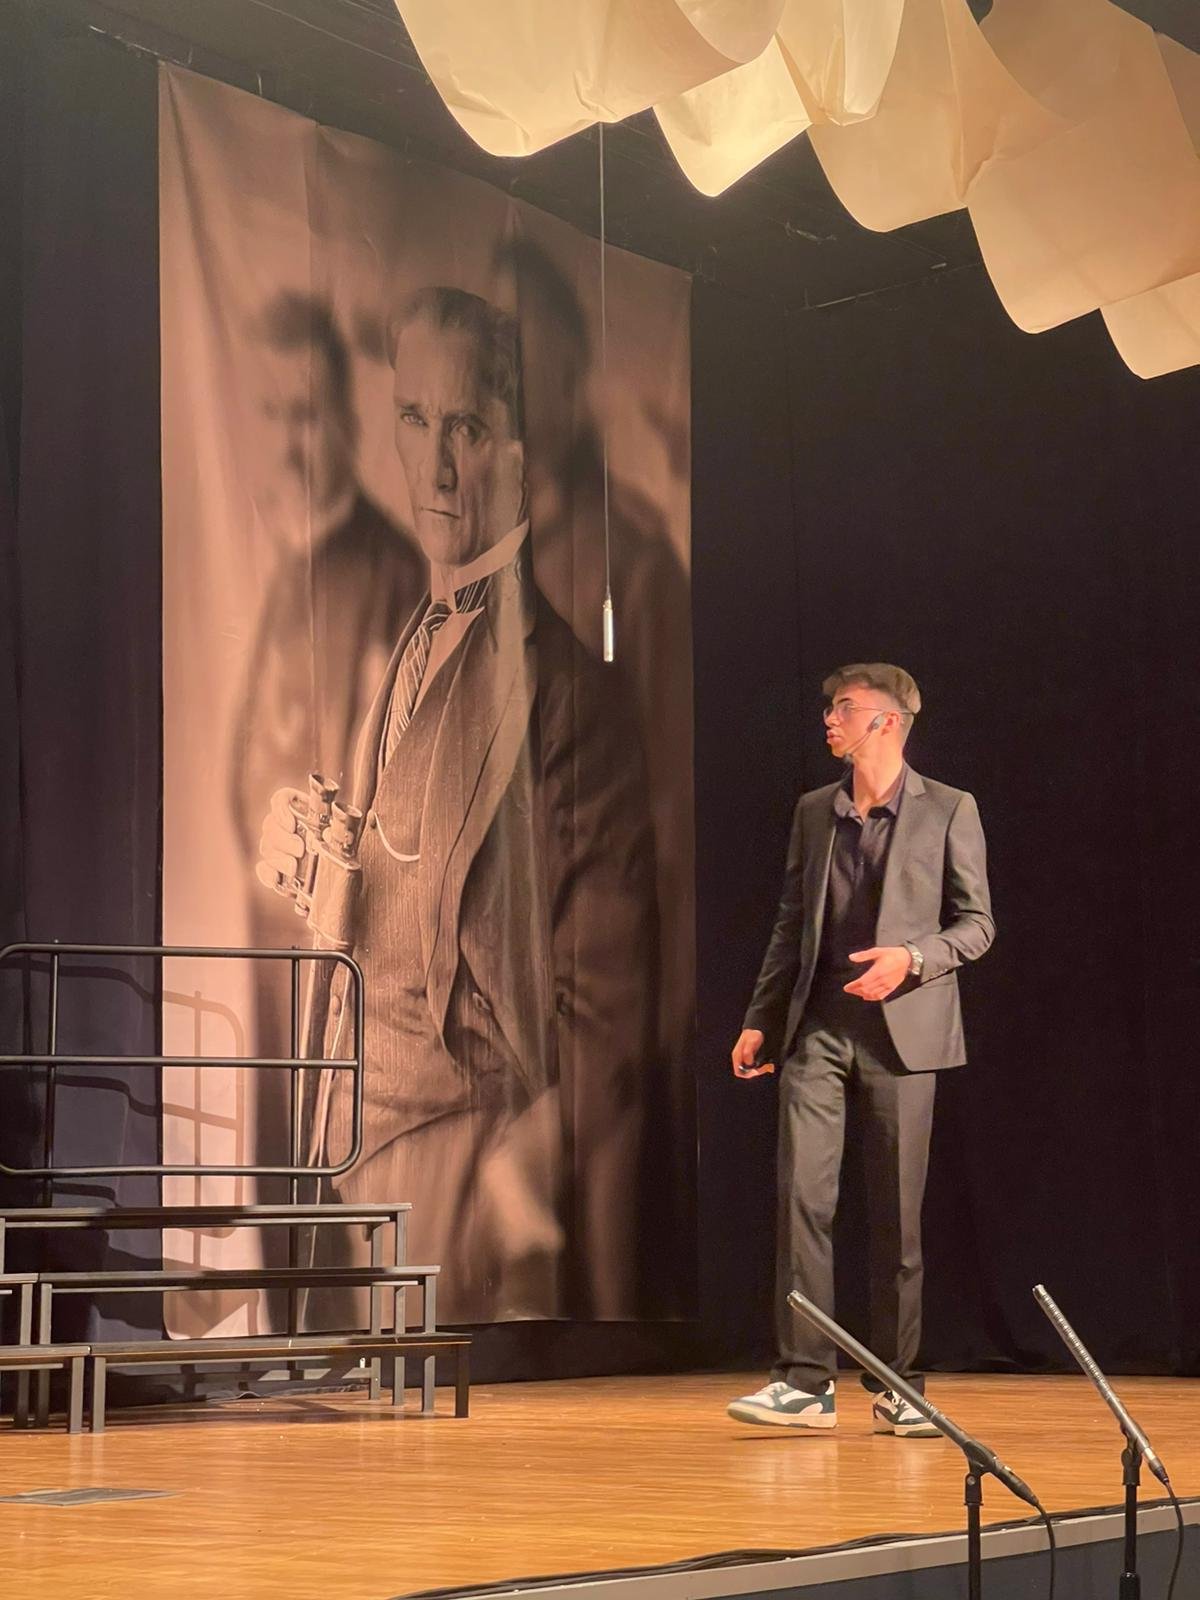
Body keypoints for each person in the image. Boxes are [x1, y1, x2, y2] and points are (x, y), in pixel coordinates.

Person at [257, 287, 658, 1322]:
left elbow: (611, 999)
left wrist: (523, 1163)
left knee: (427, 1417)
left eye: (466, 428)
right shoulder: (409, 630)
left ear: (517, 449)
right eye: (415, 419)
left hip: (454, 1154)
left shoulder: (570, 687)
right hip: (344, 1144)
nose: (435, 467)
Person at [728, 664, 993, 1433]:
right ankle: (805, 1382)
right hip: (816, 1029)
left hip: (903, 1037)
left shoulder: (950, 808)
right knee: (801, 1200)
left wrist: (911, 958)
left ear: (888, 721)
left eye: (843, 708)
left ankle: (900, 1386)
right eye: (829, 708)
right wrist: (760, 1016)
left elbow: (977, 925)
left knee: (895, 1218)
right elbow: (790, 922)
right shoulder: (816, 811)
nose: (829, 720)